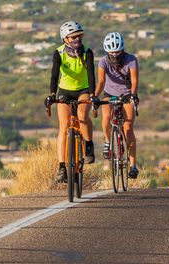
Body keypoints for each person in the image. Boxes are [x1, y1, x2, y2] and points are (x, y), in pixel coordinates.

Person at [46, 21, 97, 182]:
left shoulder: (87, 52)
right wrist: (52, 94)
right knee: (64, 125)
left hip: (83, 89)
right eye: (73, 37)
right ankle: (62, 167)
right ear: (65, 39)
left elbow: (91, 75)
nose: (77, 39)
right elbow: (54, 75)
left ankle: (88, 145)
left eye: (79, 36)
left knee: (82, 115)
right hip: (65, 90)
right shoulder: (59, 53)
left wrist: (93, 94)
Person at [95, 31, 140, 178]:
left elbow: (134, 81)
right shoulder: (103, 61)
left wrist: (133, 96)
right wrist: (94, 97)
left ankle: (133, 165)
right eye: (111, 52)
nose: (114, 55)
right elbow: (101, 82)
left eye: (117, 52)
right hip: (109, 93)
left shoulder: (131, 60)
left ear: (122, 50)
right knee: (106, 117)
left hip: (127, 94)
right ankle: (108, 141)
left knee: (128, 128)